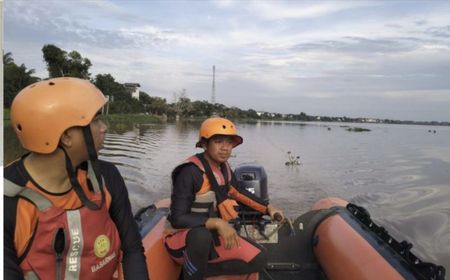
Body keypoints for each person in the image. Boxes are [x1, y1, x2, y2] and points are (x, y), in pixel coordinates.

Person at [4, 77, 149, 280]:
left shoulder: (106, 176)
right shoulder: (8, 203)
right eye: (96, 120)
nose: (104, 128)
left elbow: (132, 248)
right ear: (66, 137)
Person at [165, 117, 284, 279]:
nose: (225, 148)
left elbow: (239, 193)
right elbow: (177, 219)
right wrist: (216, 222)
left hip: (211, 237)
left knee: (259, 257)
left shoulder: (224, 168)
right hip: (182, 241)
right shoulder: (190, 172)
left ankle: (200, 272)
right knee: (201, 236)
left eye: (229, 143)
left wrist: (267, 207)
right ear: (205, 144)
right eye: (218, 141)